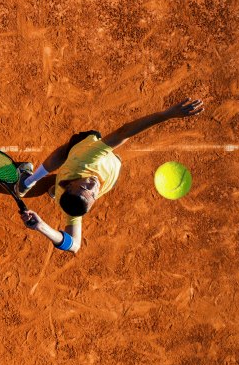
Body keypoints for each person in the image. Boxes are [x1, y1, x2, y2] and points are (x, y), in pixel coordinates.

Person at [15, 98, 205, 253]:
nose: (93, 186)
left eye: (84, 187)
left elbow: (124, 132)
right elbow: (75, 245)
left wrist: (167, 114)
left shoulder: (86, 158)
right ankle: (53, 189)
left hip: (81, 150)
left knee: (64, 152)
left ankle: (28, 180)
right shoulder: (74, 207)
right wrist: (41, 227)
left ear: (69, 183)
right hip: (98, 171)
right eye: (93, 195)